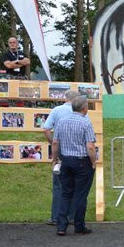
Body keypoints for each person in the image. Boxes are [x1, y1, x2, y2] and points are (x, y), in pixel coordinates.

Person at [52, 95, 97, 236]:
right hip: (82, 161)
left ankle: (61, 226)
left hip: (65, 161)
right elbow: (90, 146)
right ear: (85, 108)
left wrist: (55, 159)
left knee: (66, 193)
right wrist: (93, 161)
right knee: (80, 195)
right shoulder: (86, 122)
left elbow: (55, 142)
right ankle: (79, 225)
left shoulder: (61, 121)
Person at [42, 89, 81, 225]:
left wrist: (53, 143)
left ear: (66, 98)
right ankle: (71, 217)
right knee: (74, 185)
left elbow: (46, 129)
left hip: (60, 152)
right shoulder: (79, 112)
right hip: (77, 153)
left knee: (58, 186)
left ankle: (56, 217)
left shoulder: (57, 110)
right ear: (76, 100)